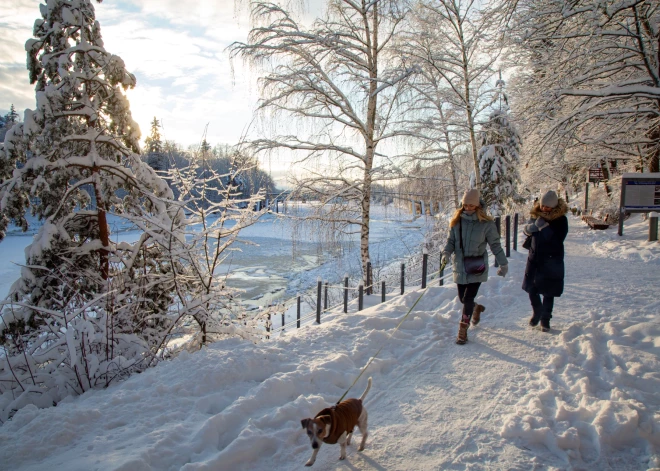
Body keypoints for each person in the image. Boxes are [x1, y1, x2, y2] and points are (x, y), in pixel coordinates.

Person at [442, 189, 508, 345]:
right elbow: (451, 241)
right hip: (459, 265)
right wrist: (446, 253)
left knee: (468, 298)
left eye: (471, 205)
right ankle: (476, 309)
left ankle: (463, 330)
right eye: (466, 205)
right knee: (463, 298)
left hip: (476, 266)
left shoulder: (486, 224)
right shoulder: (456, 221)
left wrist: (503, 263)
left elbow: (495, 245)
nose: (468, 208)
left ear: (478, 205)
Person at [522, 190, 568, 332]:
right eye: (543, 206)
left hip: (551, 260)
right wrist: (530, 228)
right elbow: (527, 230)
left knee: (549, 291)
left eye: (548, 207)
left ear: (554, 207)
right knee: (531, 288)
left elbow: (558, 239)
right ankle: (537, 311)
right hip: (535, 258)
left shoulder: (560, 220)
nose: (544, 209)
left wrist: (544, 227)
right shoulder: (536, 216)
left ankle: (545, 319)